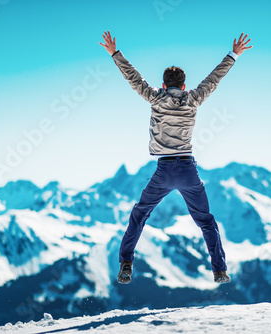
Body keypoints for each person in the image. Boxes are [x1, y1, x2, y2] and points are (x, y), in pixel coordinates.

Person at [99, 31, 252, 284]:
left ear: (163, 85)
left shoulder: (155, 98)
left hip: (163, 171)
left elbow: (133, 78)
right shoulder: (192, 99)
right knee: (205, 220)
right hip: (188, 171)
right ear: (183, 86)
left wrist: (115, 53)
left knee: (140, 214)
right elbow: (214, 79)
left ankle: (126, 262)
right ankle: (219, 270)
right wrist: (233, 54)